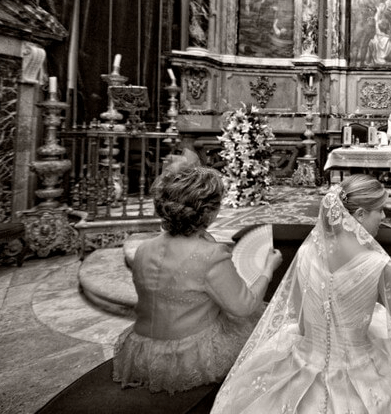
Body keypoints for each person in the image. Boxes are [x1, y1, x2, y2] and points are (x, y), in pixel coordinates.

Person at [211, 175, 391, 414]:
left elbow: (299, 319)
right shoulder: (378, 263)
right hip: (358, 364)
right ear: (358, 215)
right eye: (379, 210)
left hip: (307, 355)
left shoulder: (307, 252)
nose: (384, 217)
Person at [113, 161, 282, 394]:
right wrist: (268, 268)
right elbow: (244, 306)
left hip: (142, 350)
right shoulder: (210, 255)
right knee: (265, 325)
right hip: (189, 356)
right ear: (209, 212)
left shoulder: (144, 248)